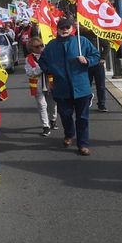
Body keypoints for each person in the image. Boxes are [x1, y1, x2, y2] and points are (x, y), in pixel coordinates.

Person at [38, 17, 100, 156]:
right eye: (62, 27)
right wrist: (49, 69)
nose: (64, 30)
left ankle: (83, 144)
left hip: (81, 88)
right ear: (57, 29)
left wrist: (87, 60)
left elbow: (95, 55)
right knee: (65, 115)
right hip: (61, 88)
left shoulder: (81, 41)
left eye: (67, 27)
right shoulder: (51, 45)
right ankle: (69, 133)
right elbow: (42, 61)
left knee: (82, 118)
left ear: (72, 28)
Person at [25, 37, 58, 137]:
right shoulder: (28, 59)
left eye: (41, 45)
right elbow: (30, 72)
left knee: (53, 104)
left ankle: (53, 120)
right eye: (37, 46)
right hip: (38, 85)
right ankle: (45, 126)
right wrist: (41, 67)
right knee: (42, 105)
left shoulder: (48, 55)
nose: (40, 48)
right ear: (31, 48)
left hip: (50, 83)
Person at [84, 29, 109, 112]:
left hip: (98, 64)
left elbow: (107, 46)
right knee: (87, 84)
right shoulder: (81, 35)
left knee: (101, 85)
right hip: (86, 63)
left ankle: (102, 104)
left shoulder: (98, 34)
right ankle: (86, 100)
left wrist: (103, 58)